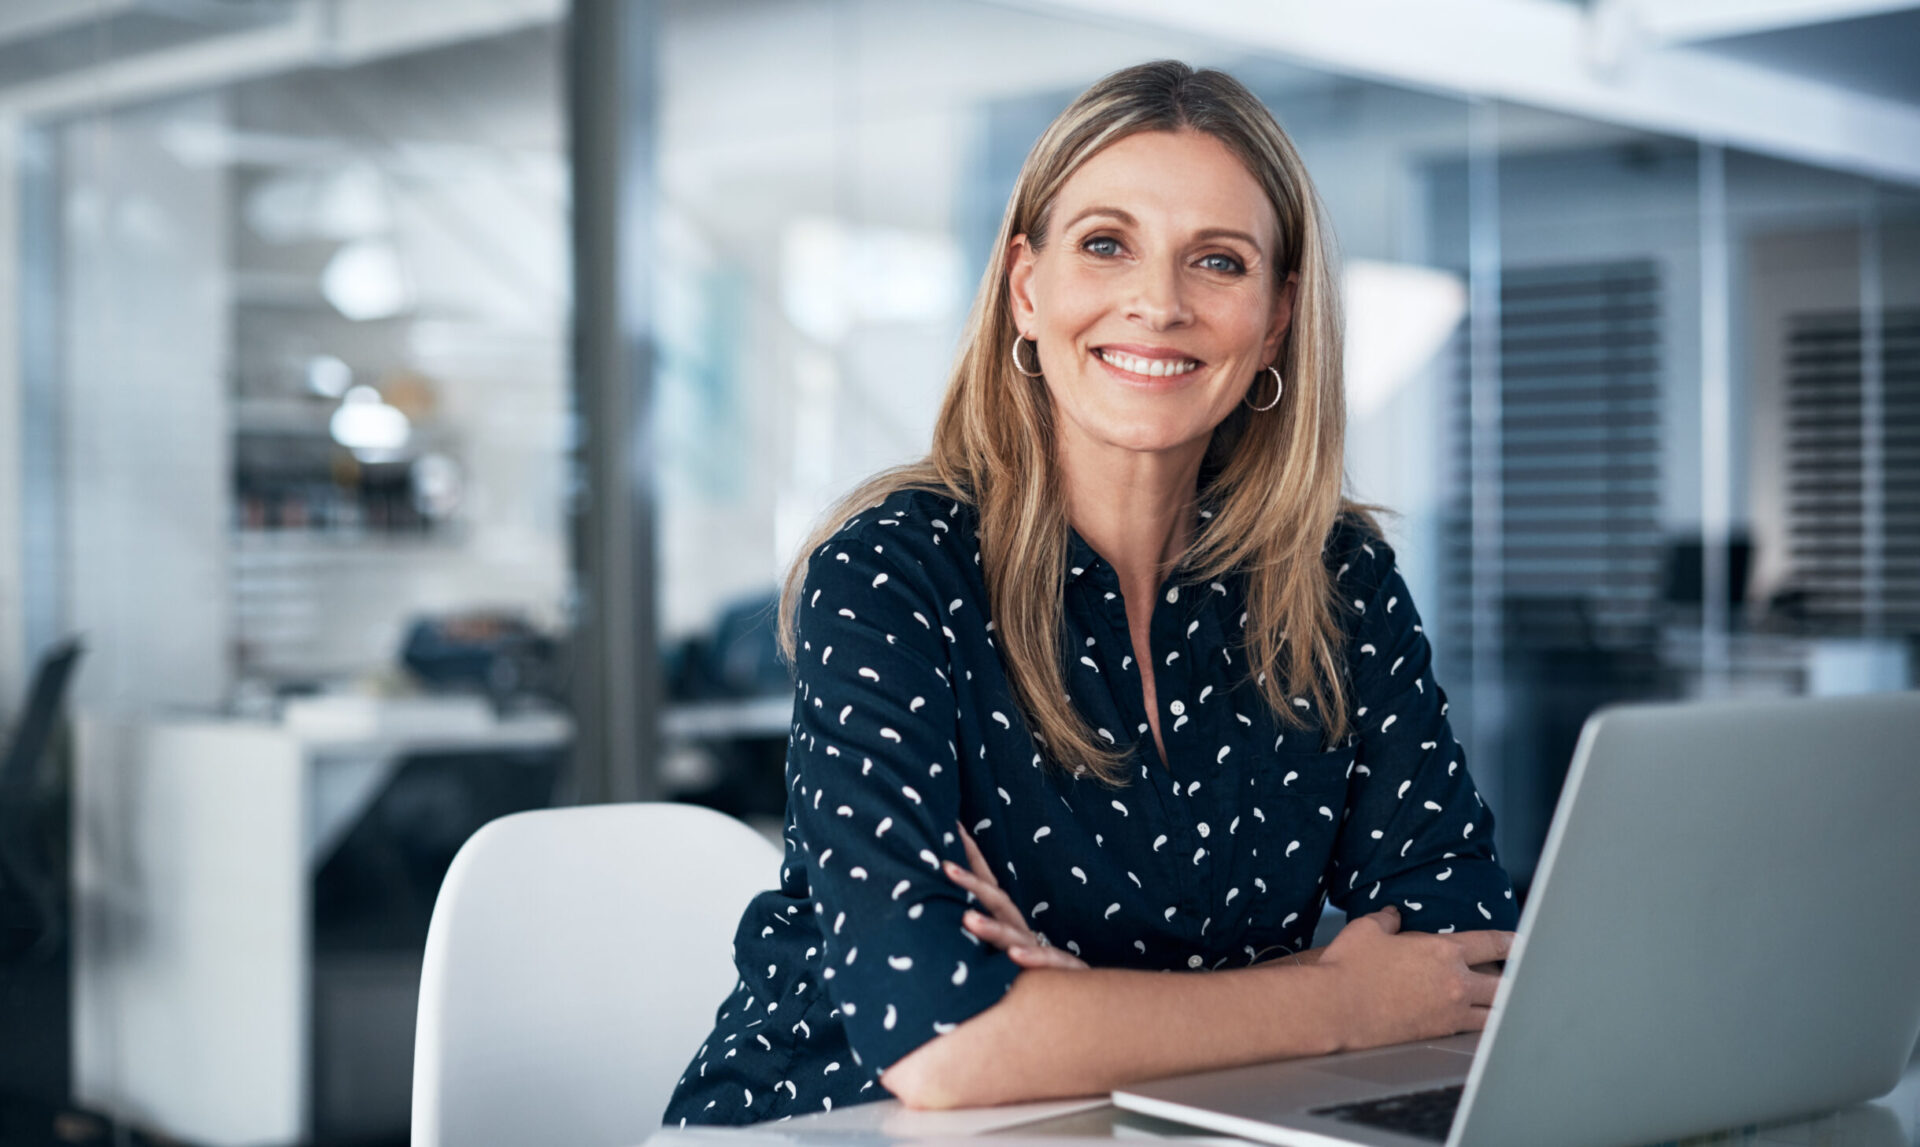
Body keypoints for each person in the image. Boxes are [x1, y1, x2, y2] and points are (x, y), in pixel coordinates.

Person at [662, 59, 1518, 1126]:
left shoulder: (1336, 580)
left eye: (1218, 260)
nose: (1158, 303)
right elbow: (942, 1043)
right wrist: (1338, 1000)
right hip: (829, 1123)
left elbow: (1467, 960)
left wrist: (1078, 1011)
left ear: (1277, 317)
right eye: (1106, 244)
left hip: (1139, 1123)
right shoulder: (893, 574)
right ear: (1028, 287)